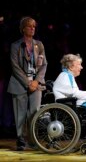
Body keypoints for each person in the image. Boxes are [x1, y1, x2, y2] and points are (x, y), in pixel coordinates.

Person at [7, 16, 48, 151]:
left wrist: (36, 81)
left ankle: (33, 139)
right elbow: (15, 67)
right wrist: (27, 83)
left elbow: (43, 65)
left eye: (34, 26)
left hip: (36, 84)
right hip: (19, 83)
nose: (32, 28)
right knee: (20, 113)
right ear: (23, 28)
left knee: (34, 112)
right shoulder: (15, 45)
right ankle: (20, 138)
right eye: (29, 26)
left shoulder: (39, 45)